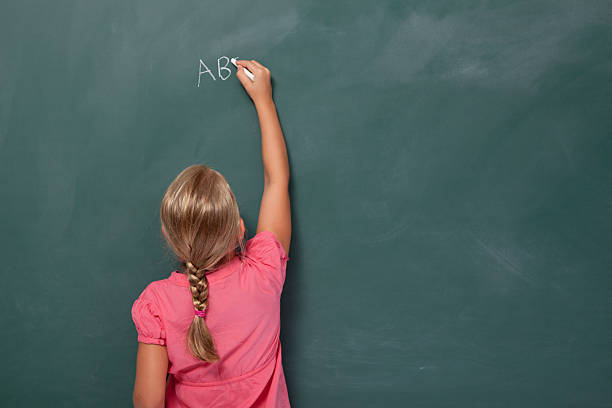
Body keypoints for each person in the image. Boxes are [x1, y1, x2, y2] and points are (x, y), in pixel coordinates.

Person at [131, 59, 291, 408]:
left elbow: (147, 404)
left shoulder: (156, 304)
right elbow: (276, 181)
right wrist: (264, 101)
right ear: (239, 228)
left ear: (168, 233)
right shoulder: (264, 272)